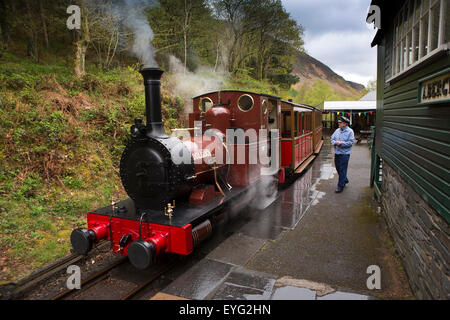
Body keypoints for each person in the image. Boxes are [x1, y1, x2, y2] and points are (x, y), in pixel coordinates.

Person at [331, 116, 354, 193]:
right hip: (337, 153)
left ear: (344, 124)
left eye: (340, 123)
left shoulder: (350, 131)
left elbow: (351, 143)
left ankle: (340, 186)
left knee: (342, 169)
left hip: (345, 154)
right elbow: (332, 139)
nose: (339, 124)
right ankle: (345, 179)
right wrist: (334, 142)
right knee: (338, 168)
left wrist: (341, 143)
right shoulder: (337, 130)